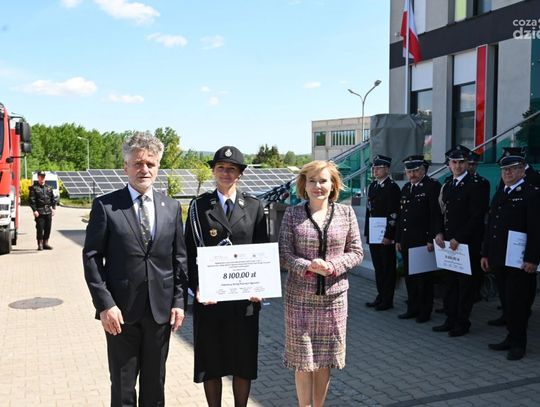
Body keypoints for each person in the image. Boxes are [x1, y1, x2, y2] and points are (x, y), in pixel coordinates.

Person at [83, 131, 188, 406]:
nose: (144, 169)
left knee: (155, 384)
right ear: (126, 167)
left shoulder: (171, 207)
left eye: (150, 164)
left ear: (158, 166)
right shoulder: (106, 206)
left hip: (160, 312)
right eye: (138, 163)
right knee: (123, 387)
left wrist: (179, 302)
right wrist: (105, 304)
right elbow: (92, 257)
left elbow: (179, 259)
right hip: (120, 313)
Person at [185, 146, 268, 407]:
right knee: (211, 364)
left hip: (244, 302)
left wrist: (261, 286)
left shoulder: (254, 206)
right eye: (220, 167)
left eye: (231, 169)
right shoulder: (199, 207)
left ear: (239, 174)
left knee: (243, 363)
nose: (225, 172)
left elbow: (262, 250)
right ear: (213, 171)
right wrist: (197, 287)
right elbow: (188, 252)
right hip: (211, 301)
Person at [279, 160, 363, 407]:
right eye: (312, 181)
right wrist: (308, 266)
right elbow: (284, 253)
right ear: (304, 185)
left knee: (325, 360)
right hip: (299, 299)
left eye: (323, 180)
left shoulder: (346, 213)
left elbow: (357, 252)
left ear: (333, 184)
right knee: (303, 360)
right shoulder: (292, 214)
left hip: (333, 301)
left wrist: (333, 266)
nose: (318, 186)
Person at [481, 148, 540, 360]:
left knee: (518, 303)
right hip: (500, 257)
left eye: (513, 169)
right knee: (507, 302)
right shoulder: (501, 192)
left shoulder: (532, 194)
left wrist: (532, 259)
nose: (507, 172)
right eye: (504, 169)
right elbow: (492, 227)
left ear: (522, 170)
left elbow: (536, 230)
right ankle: (510, 336)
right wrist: (486, 253)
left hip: (519, 260)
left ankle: (519, 343)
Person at [432, 145, 487, 337]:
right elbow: (440, 213)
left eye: (461, 162)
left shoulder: (475, 185)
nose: (457, 165)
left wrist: (459, 238)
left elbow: (477, 217)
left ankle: (462, 323)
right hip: (448, 244)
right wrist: (439, 233)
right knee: (450, 284)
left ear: (466, 163)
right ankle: (450, 319)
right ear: (448, 164)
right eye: (454, 162)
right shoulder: (448, 184)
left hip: (465, 244)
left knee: (465, 286)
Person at [395, 155, 442, 323]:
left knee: (424, 280)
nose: (412, 174)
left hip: (423, 241)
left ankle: (425, 311)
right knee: (410, 277)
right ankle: (413, 308)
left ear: (423, 170)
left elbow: (435, 215)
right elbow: (402, 216)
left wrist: (431, 238)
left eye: (415, 171)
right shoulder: (406, 188)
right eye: (409, 172)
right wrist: (398, 238)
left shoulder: (432, 186)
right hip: (407, 240)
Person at [364, 155, 400, 311]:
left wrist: (389, 235)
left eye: (379, 168)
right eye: (374, 168)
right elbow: (369, 211)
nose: (375, 171)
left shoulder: (392, 187)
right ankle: (380, 295)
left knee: (387, 268)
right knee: (378, 267)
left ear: (387, 169)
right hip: (374, 233)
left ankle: (387, 299)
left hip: (385, 234)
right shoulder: (373, 186)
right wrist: (368, 232)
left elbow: (394, 213)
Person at [29, 170, 56, 250]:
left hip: (48, 211)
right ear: (38, 177)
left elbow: (53, 199)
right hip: (39, 211)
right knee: (40, 228)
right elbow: (31, 200)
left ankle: (45, 243)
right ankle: (40, 244)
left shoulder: (49, 188)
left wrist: (53, 208)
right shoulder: (34, 188)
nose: (42, 178)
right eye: (41, 177)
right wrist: (34, 210)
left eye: (43, 177)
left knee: (48, 228)